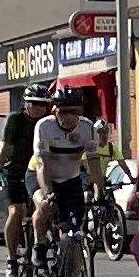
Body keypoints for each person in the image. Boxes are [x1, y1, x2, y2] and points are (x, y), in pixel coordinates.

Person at [33, 89, 106, 264]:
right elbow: (41, 165)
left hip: (70, 179)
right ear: (55, 111)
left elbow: (93, 162)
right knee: (44, 207)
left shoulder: (87, 127)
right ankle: (39, 246)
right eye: (63, 112)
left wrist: (100, 191)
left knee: (74, 230)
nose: (68, 117)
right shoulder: (44, 126)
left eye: (74, 112)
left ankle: (71, 275)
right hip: (43, 176)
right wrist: (48, 193)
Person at [0, 91, 43, 258]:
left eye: (43, 104)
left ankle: (41, 248)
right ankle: (11, 258)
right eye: (35, 104)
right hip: (15, 171)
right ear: (26, 104)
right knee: (15, 212)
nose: (39, 108)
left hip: (38, 172)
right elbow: (5, 147)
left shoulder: (47, 122)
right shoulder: (16, 120)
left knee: (45, 209)